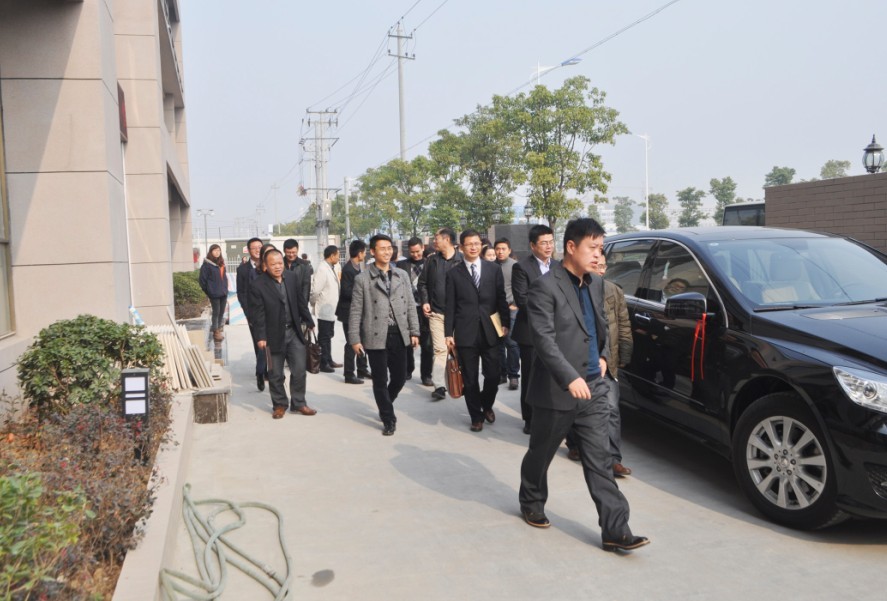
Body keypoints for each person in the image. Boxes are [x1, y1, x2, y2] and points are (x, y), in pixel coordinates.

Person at [518, 218, 648, 552]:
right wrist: (570, 376)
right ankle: (531, 499)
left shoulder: (595, 284)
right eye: (592, 248)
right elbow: (543, 340)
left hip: (594, 387)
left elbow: (600, 326)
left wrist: (603, 356)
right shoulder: (545, 287)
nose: (598, 255)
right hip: (557, 390)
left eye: (601, 248)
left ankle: (615, 529)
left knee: (600, 460)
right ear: (571, 247)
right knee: (541, 453)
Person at [566, 254, 634, 477]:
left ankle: (614, 459)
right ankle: (574, 443)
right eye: (596, 265)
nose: (600, 269)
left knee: (611, 409)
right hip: (579, 362)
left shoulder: (614, 291)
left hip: (607, 361)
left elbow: (623, 325)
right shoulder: (572, 290)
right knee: (577, 406)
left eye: (603, 265)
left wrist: (624, 354)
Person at [348, 234, 420, 436]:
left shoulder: (401, 275)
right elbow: (355, 311)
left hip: (399, 333)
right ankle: (388, 418)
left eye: (389, 248)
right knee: (380, 379)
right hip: (375, 335)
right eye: (382, 248)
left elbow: (410, 305)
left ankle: (384, 403)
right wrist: (354, 339)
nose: (387, 252)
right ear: (373, 252)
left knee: (400, 377)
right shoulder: (362, 279)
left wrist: (414, 331)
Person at [444, 229, 510, 432]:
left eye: (476, 243)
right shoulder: (454, 273)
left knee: (493, 375)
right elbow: (450, 305)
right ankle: (476, 416)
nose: (473, 247)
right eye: (469, 244)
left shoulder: (493, 269)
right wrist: (448, 333)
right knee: (470, 378)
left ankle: (486, 404)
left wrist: (505, 322)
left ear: (481, 246)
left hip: (491, 330)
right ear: (461, 247)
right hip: (466, 332)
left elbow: (501, 298)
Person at [249, 248, 318, 419]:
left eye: (280, 263)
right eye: (273, 264)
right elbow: (258, 315)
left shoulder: (291, 277)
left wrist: (309, 320)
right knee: (275, 373)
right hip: (272, 336)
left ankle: (299, 403)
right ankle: (279, 404)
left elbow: (300, 301)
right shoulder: (258, 285)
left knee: (300, 370)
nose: (278, 267)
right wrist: (261, 337)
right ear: (265, 266)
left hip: (294, 332)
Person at [510, 224, 557, 434]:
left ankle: (550, 415)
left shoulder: (559, 266)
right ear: (532, 245)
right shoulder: (521, 267)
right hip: (530, 332)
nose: (548, 246)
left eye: (551, 242)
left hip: (557, 332)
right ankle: (529, 418)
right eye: (544, 243)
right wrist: (552, 309)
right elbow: (522, 299)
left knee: (553, 376)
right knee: (530, 376)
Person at [418, 227, 463, 401]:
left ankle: (461, 382)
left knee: (459, 349)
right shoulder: (432, 261)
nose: (433, 241)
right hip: (437, 313)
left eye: (436, 238)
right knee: (440, 350)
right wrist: (425, 301)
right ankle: (439, 386)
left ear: (447, 239)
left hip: (459, 315)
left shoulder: (462, 260)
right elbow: (422, 283)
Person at [397, 237, 434, 386]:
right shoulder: (401, 265)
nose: (415, 255)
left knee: (427, 344)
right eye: (412, 252)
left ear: (423, 248)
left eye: (418, 251)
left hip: (426, 308)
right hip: (407, 309)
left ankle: (426, 375)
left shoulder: (431, 264)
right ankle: (408, 369)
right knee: (407, 342)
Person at [335, 240, 372, 384]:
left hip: (357, 312)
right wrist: (363, 292)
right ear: (359, 253)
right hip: (348, 313)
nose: (365, 254)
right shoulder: (348, 269)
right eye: (364, 252)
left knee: (362, 340)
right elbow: (346, 291)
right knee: (352, 343)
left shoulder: (357, 267)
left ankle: (362, 369)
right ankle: (349, 374)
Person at [236, 237, 267, 391]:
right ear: (248, 250)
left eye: (260, 247)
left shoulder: (268, 265)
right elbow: (241, 292)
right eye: (254, 248)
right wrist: (248, 313)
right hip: (253, 313)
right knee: (259, 342)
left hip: (270, 310)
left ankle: (264, 369)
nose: (257, 250)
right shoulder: (243, 270)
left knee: (271, 343)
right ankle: (261, 370)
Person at [310, 245, 342, 372]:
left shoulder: (334, 267)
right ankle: (323, 363)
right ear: (332, 256)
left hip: (331, 308)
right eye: (338, 255)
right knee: (324, 337)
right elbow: (315, 290)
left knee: (328, 335)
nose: (339, 258)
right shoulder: (322, 269)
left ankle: (328, 359)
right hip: (324, 308)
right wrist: (314, 303)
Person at [494, 237, 520, 390]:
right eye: (497, 249)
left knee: (512, 343)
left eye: (503, 249)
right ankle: (501, 373)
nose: (500, 251)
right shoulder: (490, 266)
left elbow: (521, 287)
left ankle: (513, 375)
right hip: (495, 311)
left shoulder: (515, 266)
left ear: (509, 250)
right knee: (498, 344)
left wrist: (516, 304)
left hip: (511, 309)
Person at [199, 244, 228, 342]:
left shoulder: (221, 264)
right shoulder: (206, 265)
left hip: (223, 292)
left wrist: (225, 288)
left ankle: (218, 328)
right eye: (215, 250)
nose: (217, 252)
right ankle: (216, 331)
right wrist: (209, 291)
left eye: (219, 250)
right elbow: (202, 281)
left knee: (221, 312)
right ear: (211, 252)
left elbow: (224, 278)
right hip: (214, 294)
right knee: (216, 312)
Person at [283, 238, 313, 305]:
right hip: (283, 302)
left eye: (294, 252)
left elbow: (306, 286)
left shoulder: (304, 265)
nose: (291, 255)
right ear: (284, 251)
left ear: (297, 250)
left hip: (298, 302)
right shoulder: (280, 264)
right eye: (288, 252)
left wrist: (304, 304)